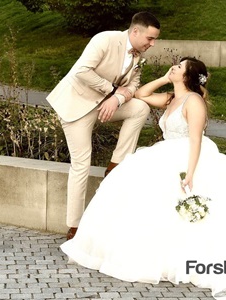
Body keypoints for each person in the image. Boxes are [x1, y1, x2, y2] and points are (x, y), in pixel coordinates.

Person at [60, 57, 226, 299]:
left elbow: (196, 140)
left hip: (188, 157)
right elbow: (141, 94)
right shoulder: (171, 98)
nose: (174, 67)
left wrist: (191, 173)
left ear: (188, 76)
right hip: (165, 154)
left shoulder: (193, 102)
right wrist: (164, 78)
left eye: (179, 66)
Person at [46, 12, 160, 240]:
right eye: (150, 38)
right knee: (81, 164)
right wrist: (113, 91)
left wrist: (116, 99)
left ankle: (116, 164)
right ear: (135, 31)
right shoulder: (105, 39)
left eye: (155, 39)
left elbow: (133, 85)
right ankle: (75, 227)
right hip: (76, 105)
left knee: (140, 108)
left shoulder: (138, 56)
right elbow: (81, 71)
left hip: (104, 104)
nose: (152, 43)